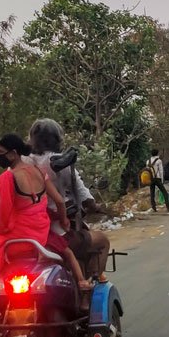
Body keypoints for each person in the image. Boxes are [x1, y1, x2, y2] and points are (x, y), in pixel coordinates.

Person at [0, 134, 82, 320]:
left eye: (0, 153)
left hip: (17, 235)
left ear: (13, 154)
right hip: (41, 231)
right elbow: (60, 202)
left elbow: (0, 215)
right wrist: (64, 221)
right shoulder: (38, 171)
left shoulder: (7, 178)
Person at [27, 118, 111, 280]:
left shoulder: (21, 164)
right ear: (57, 139)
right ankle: (88, 290)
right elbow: (83, 196)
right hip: (55, 232)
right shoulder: (60, 162)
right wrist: (96, 207)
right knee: (102, 241)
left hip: (25, 234)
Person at [146, 148, 169, 212]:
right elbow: (161, 171)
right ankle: (168, 207)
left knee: (152, 193)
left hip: (151, 179)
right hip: (157, 178)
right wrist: (162, 180)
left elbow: (147, 171)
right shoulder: (159, 161)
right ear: (157, 153)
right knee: (164, 192)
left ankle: (154, 207)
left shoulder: (148, 161)